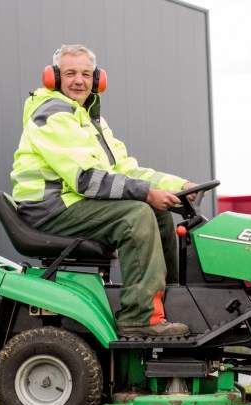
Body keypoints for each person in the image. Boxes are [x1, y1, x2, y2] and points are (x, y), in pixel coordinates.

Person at [10, 44, 195, 337]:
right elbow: (86, 179)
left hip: (73, 202)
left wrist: (178, 186)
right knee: (136, 215)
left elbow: (124, 170)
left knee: (158, 213)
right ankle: (138, 317)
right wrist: (146, 193)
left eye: (86, 74)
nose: (79, 80)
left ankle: (172, 302)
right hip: (50, 207)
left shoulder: (89, 119)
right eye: (70, 73)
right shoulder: (54, 115)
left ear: (97, 80)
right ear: (53, 78)